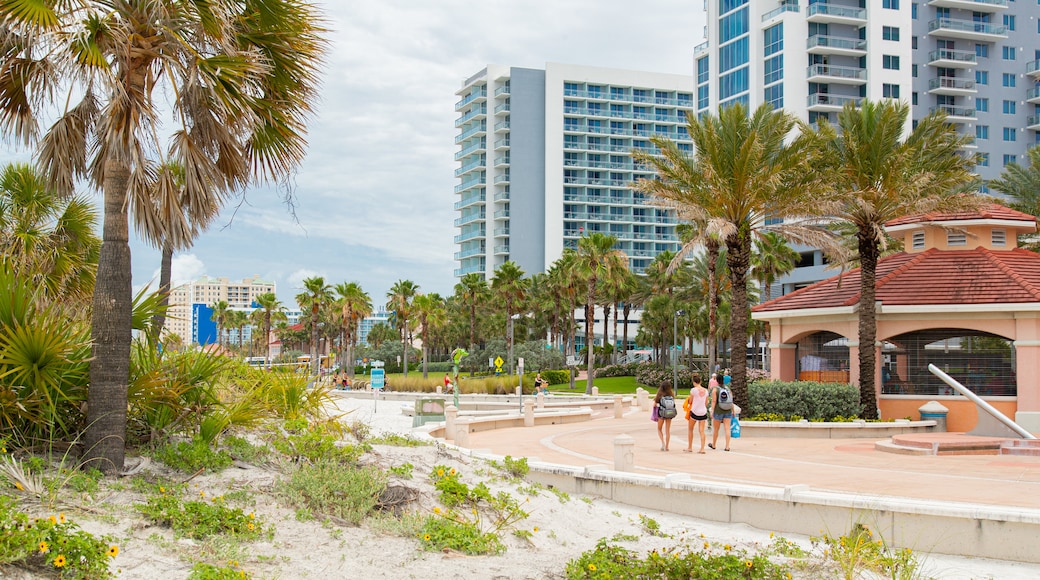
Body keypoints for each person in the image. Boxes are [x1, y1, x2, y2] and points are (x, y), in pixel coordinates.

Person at [682, 374, 709, 454]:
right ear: (700, 381)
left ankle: (690, 447)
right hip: (703, 412)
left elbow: (690, 401)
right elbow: (706, 403)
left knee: (690, 429)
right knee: (702, 431)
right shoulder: (706, 391)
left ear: (694, 382)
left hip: (695, 411)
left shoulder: (693, 390)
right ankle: (702, 448)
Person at [709, 374, 733, 451]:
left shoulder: (715, 389)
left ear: (716, 380)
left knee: (716, 429)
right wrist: (733, 410)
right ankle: (727, 446)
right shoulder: (727, 389)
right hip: (728, 410)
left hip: (718, 411)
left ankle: (714, 444)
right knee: (727, 428)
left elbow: (713, 401)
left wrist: (712, 411)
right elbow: (731, 400)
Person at [653, 380, 676, 451]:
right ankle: (667, 446)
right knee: (667, 430)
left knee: (659, 429)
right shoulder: (671, 395)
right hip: (669, 414)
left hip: (661, 414)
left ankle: (663, 442)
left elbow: (654, 404)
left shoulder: (660, 394)